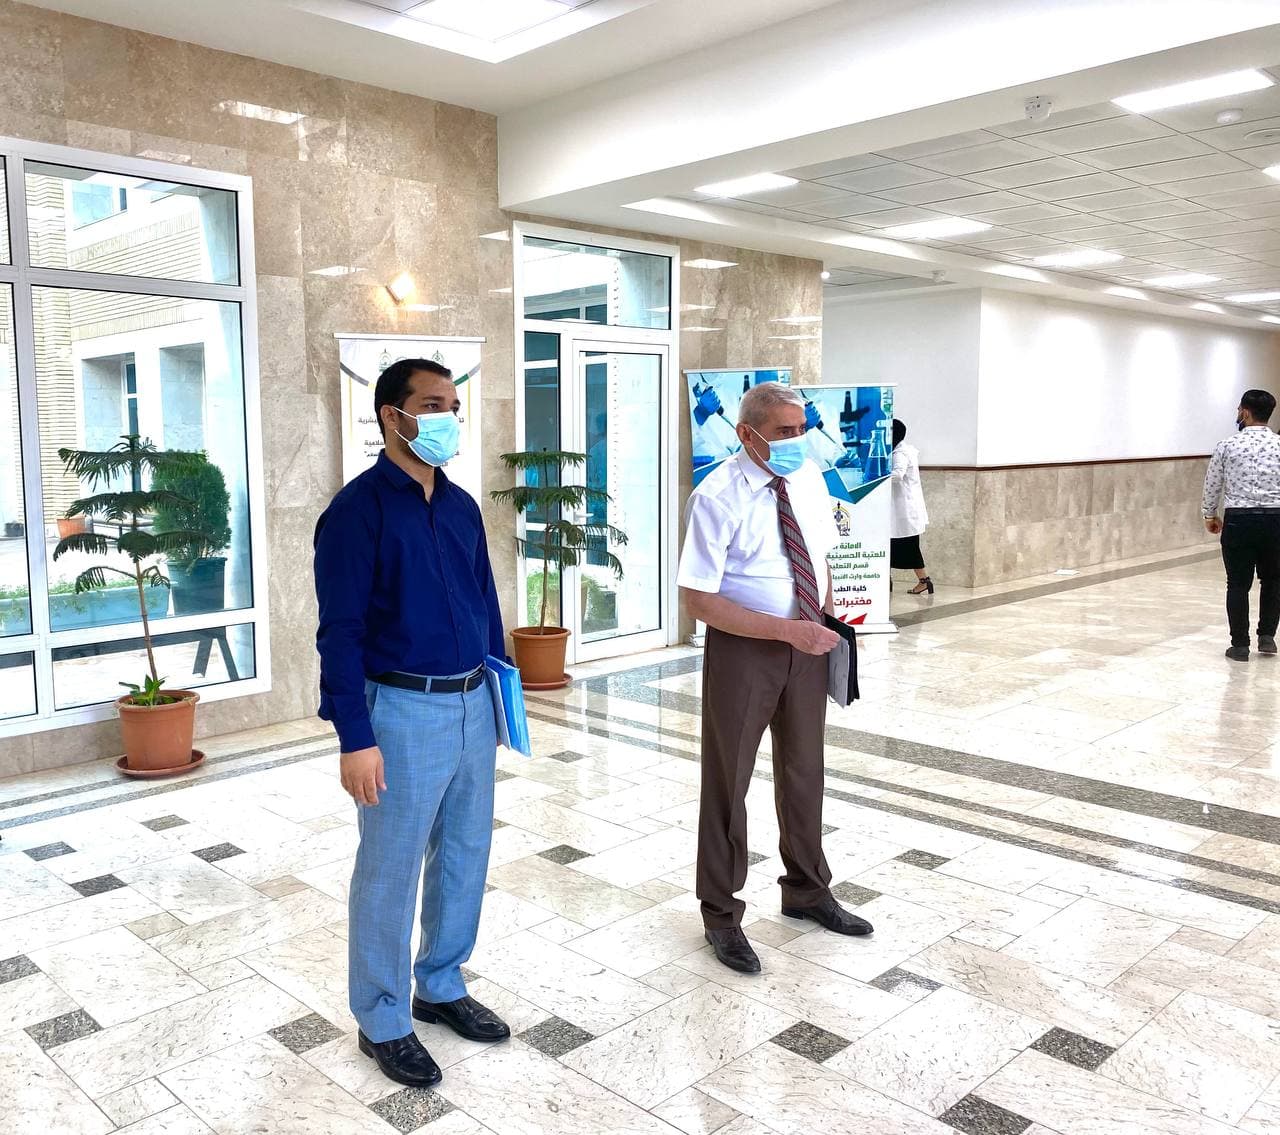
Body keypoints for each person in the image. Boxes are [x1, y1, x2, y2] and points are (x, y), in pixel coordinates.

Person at [313, 359, 510, 1088]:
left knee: (465, 852)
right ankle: (382, 1018)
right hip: (400, 710)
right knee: (390, 868)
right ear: (391, 416)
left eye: (452, 405)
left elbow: (486, 602)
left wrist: (499, 695)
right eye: (431, 405)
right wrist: (355, 737)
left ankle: (441, 983)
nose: (446, 418)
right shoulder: (356, 512)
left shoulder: (460, 506)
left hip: (471, 702)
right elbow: (339, 633)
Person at [677, 381, 873, 975]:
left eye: (801, 429)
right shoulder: (716, 496)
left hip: (808, 642)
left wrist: (825, 619)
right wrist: (787, 631)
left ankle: (808, 890)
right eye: (784, 432)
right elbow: (698, 600)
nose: (797, 441)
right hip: (744, 651)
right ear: (747, 434)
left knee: (805, 771)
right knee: (728, 781)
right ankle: (721, 914)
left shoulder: (808, 478)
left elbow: (817, 553)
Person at [1203, 388, 1280, 662]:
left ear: (1245, 412)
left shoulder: (1227, 446)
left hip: (1239, 521)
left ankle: (1239, 646)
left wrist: (1210, 515)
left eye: (1239, 409)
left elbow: (1213, 483)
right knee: (1273, 580)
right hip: (1275, 520)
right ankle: (1267, 636)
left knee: (1237, 584)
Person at [890, 419, 932, 595]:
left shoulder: (900, 454)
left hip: (904, 511)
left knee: (909, 548)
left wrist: (877, 478)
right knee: (892, 546)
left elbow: (897, 475)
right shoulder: (906, 450)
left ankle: (924, 581)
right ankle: (886, 580)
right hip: (904, 510)